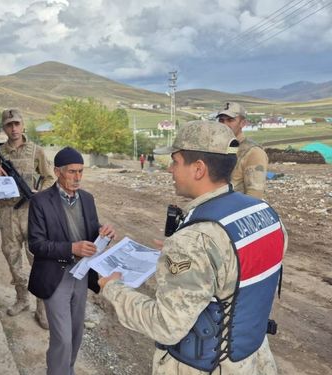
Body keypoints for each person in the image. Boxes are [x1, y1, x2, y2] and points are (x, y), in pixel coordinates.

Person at [99, 120, 287, 374]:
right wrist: (198, 255)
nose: (169, 170)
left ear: (198, 168)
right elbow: (241, 267)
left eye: (175, 162)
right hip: (255, 358)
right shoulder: (265, 213)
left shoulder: (195, 241)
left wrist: (112, 288)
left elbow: (166, 325)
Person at [28, 147, 115, 375]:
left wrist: (103, 231)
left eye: (80, 172)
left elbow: (90, 229)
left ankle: (68, 370)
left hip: (82, 274)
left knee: (76, 335)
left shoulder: (87, 199)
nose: (77, 178)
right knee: (63, 338)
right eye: (72, 172)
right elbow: (36, 244)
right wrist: (71, 248)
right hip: (55, 276)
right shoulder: (40, 202)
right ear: (57, 171)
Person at [0, 108, 54, 325]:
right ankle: (22, 298)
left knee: (38, 260)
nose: (13, 129)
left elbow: (50, 179)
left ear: (23, 125)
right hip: (7, 214)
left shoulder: (36, 151)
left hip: (31, 213)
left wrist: (39, 193)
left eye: (16, 124)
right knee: (12, 258)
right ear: (4, 128)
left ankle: (42, 307)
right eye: (9, 125)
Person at [217, 102, 268, 199]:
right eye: (221, 120)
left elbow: (254, 194)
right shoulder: (217, 147)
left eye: (230, 120)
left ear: (243, 123)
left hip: (234, 209)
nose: (224, 125)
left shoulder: (253, 152)